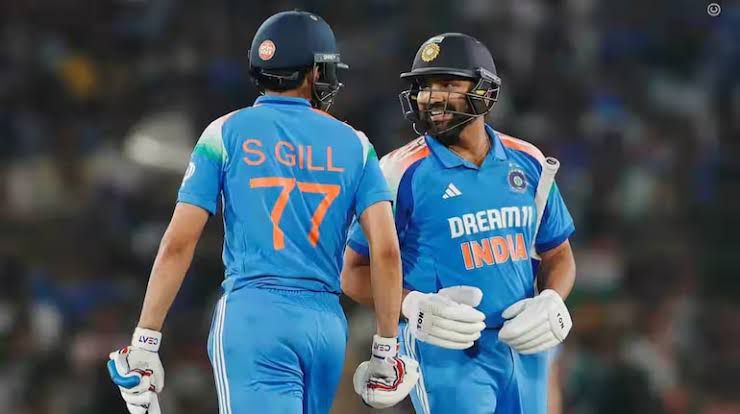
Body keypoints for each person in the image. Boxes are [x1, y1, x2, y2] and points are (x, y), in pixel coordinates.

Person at [105, 10, 418, 414]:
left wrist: (145, 342)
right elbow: (386, 252)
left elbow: (178, 244)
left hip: (253, 316)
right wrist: (386, 350)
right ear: (314, 72)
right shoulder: (356, 145)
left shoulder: (225, 132)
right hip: (324, 325)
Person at [343, 33, 576, 414]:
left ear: (485, 91)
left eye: (448, 84)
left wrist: (552, 298)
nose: (431, 97)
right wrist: (411, 304)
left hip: (524, 346)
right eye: (425, 87)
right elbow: (352, 273)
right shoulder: (399, 171)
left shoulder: (529, 161)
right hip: (445, 350)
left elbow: (558, 254)